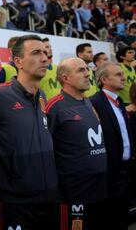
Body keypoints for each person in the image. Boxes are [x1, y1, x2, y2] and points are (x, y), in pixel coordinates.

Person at [0, 35, 58, 230]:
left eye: (45, 52)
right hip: (15, 202)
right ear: (18, 61)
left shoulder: (42, 95)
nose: (44, 58)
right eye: (36, 53)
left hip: (49, 196)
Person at [46, 57, 107, 230]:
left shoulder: (88, 101)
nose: (88, 73)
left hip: (99, 188)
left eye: (87, 69)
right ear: (65, 78)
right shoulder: (54, 107)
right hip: (73, 192)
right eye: (81, 70)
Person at [90, 62, 135, 230]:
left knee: (123, 216)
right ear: (104, 79)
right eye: (118, 74)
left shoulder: (119, 101)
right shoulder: (95, 102)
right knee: (111, 218)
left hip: (126, 168)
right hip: (109, 172)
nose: (123, 77)